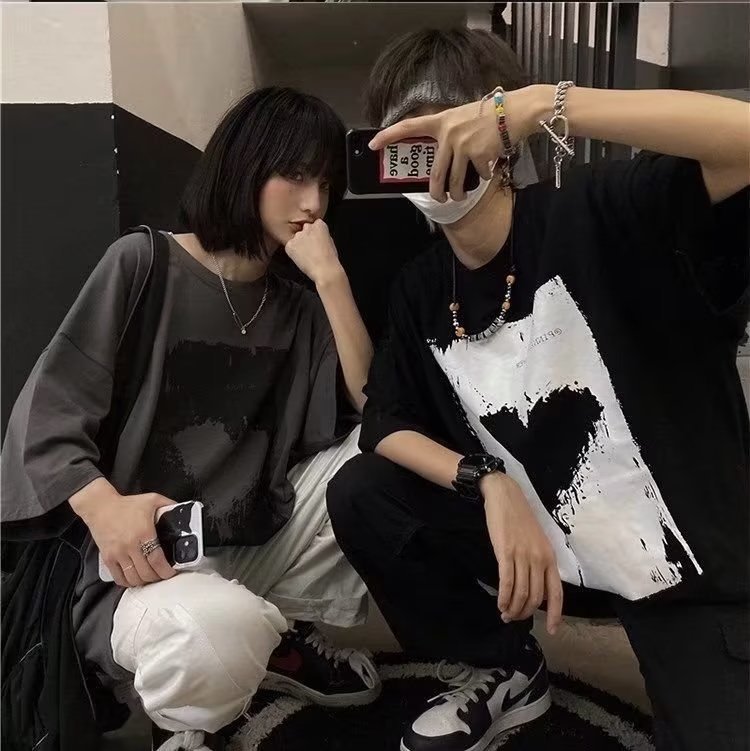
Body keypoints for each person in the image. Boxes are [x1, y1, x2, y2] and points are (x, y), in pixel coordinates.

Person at [327, 27, 750, 751]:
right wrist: (485, 481)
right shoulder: (423, 286)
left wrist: (538, 105)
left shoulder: (597, 211)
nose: (432, 156)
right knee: (363, 492)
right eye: (407, 138)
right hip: (544, 557)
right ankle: (503, 666)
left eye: (445, 128)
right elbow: (385, 418)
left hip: (682, 573)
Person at [2, 86, 380, 751]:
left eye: (325, 184)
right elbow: (46, 416)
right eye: (295, 176)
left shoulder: (299, 308)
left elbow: (377, 407)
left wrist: (332, 280)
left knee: (384, 461)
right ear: (246, 166)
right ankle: (198, 704)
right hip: (136, 562)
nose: (313, 203)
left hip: (247, 536)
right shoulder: (143, 263)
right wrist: (103, 507)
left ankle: (267, 631)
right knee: (217, 638)